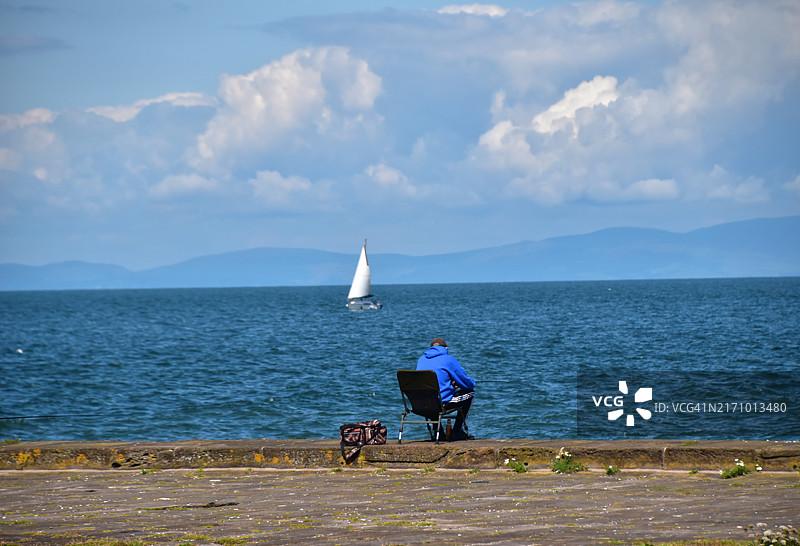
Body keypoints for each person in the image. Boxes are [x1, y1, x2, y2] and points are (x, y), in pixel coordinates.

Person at [416, 337, 475, 441]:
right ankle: (457, 431)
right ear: (445, 348)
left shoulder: (421, 359)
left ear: (431, 348)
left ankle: (438, 432)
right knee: (470, 393)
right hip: (441, 403)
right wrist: (468, 383)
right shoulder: (448, 359)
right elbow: (467, 384)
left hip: (422, 403)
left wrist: (450, 385)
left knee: (430, 395)